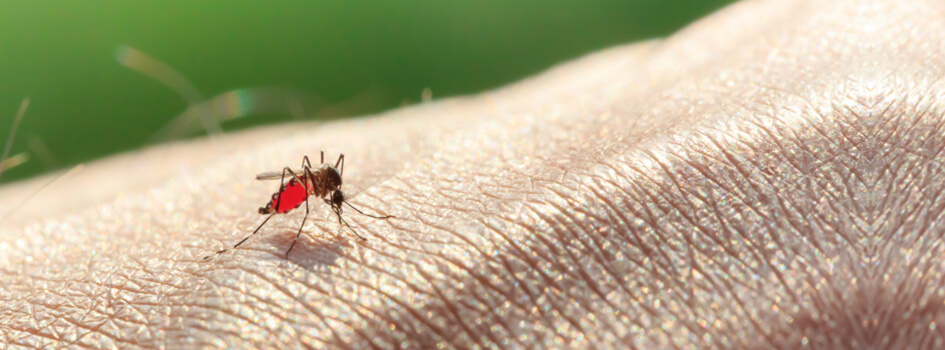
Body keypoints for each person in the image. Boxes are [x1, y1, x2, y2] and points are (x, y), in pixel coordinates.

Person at [0, 0, 935, 347]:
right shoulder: (310, 195)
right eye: (320, 194)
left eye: (316, 196)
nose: (321, 195)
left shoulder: (320, 193)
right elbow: (315, 185)